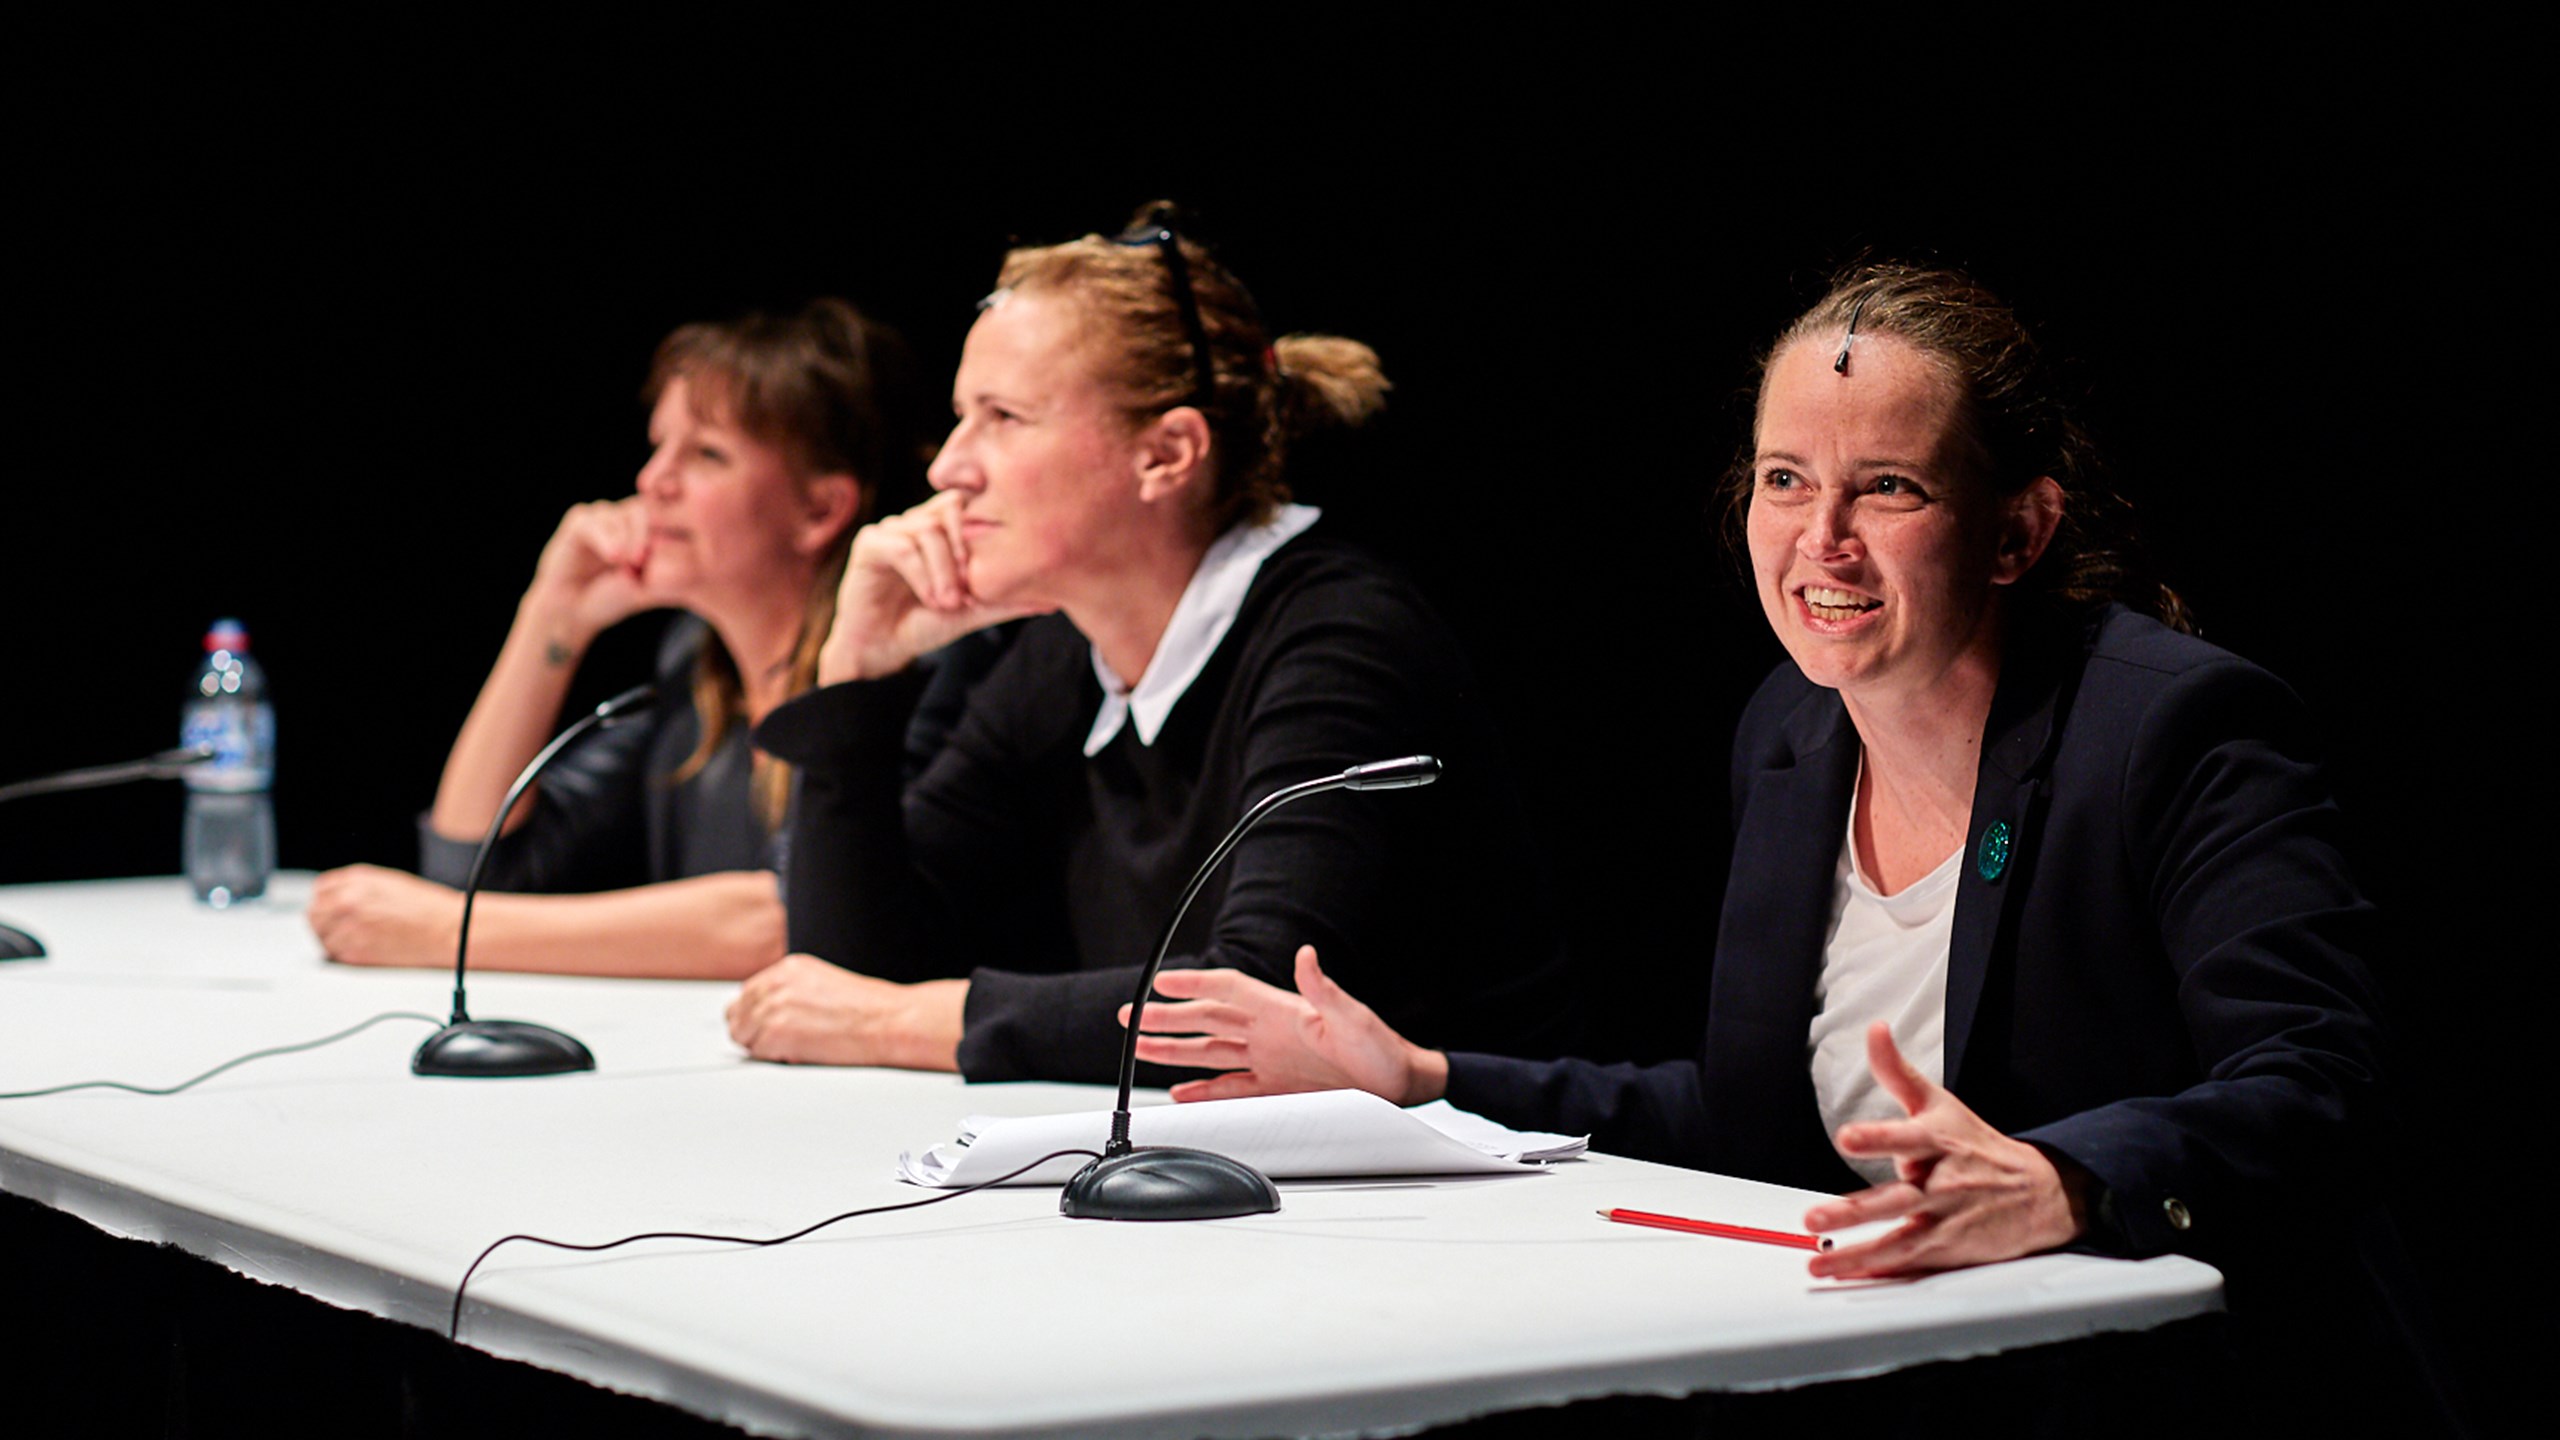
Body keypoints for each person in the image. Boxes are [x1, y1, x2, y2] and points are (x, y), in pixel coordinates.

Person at [1126, 263, 2449, 1417]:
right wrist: (1421, 1076)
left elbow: (2325, 1081)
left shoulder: (2170, 729)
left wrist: (2067, 1178)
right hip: (1939, 1375)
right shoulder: (1790, 737)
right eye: (1783, 480)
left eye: (1887, 487)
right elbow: (1745, 1114)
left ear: (2017, 532)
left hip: (2195, 1383)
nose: (1822, 539)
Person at [723, 205, 1575, 1083]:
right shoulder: (1062, 658)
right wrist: (857, 673)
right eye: (959, 416)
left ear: (1166, 454)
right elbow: (842, 978)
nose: (948, 469)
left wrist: (901, 1021)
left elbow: (1253, 1006)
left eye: (1004, 417)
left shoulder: (1341, 637)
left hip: (1491, 1190)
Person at [307, 299, 938, 978]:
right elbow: (474, 861)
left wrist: (446, 931)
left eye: (705, 454)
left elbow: (796, 916)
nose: (652, 482)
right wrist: (550, 621)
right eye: (658, 445)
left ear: (820, 509)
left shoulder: (912, 677)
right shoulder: (697, 680)